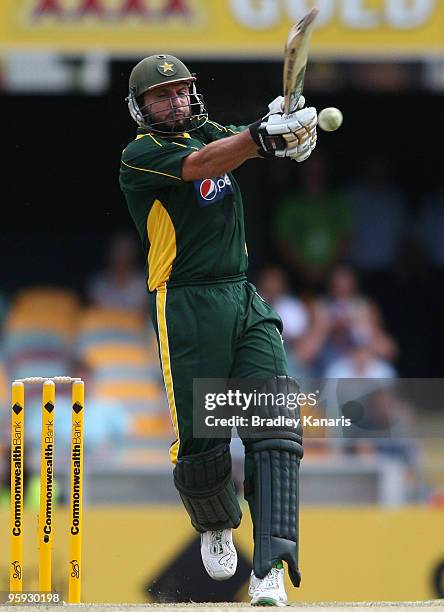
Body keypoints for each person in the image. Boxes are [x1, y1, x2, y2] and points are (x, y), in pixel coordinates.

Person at [119, 54, 318, 606]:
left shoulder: (209, 130)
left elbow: (238, 141)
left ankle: (270, 566)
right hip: (185, 302)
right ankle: (215, 522)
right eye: (163, 96)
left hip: (241, 293)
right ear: (141, 106)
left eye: (182, 91)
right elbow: (205, 164)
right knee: (203, 442)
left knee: (274, 421)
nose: (176, 101)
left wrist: (286, 128)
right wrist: (262, 135)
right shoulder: (142, 155)